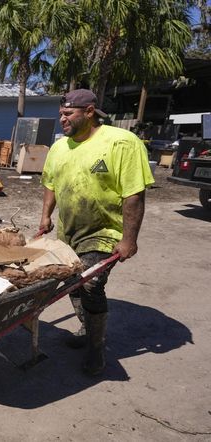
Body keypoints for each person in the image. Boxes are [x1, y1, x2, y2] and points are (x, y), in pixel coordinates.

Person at [40, 89, 154, 375]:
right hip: (69, 232)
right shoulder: (58, 148)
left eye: (68, 114)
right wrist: (45, 217)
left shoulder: (121, 143)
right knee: (72, 284)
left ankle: (96, 348)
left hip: (104, 231)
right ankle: (87, 327)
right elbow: (50, 184)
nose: (62, 120)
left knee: (90, 284)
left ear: (89, 112)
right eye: (61, 115)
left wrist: (129, 239)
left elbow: (133, 195)